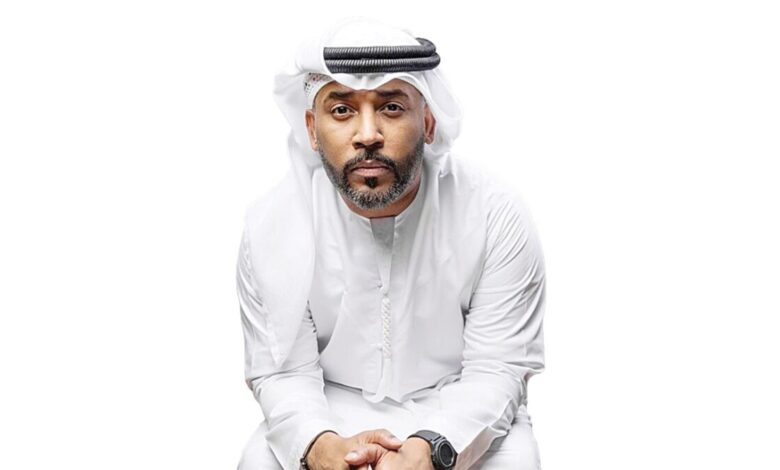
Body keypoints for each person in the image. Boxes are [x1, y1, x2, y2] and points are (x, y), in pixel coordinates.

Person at [236, 17, 546, 470]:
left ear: (429, 121)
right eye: (342, 110)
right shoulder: (272, 227)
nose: (367, 135)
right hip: (325, 412)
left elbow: (498, 368)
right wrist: (321, 447)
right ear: (312, 129)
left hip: (460, 412)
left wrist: (431, 450)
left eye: (392, 107)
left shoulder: (494, 213)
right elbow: (283, 371)